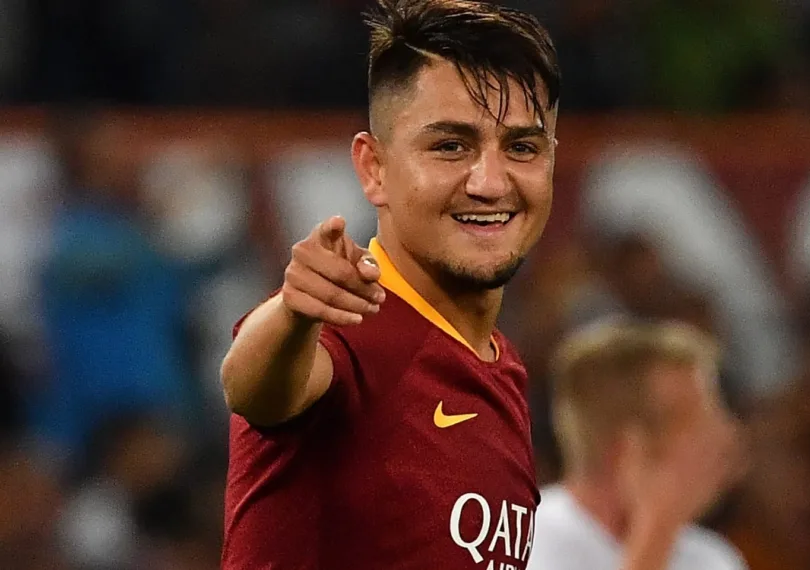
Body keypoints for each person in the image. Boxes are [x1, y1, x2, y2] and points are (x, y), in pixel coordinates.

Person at [218, 0, 560, 568]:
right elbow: (253, 387)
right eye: (451, 146)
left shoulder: (502, 369)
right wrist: (292, 311)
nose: (491, 182)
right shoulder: (345, 324)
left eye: (522, 147)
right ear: (373, 168)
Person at [529, 319, 747, 570]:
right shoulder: (521, 542)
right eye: (698, 420)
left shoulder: (712, 559)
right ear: (626, 449)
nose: (725, 435)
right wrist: (658, 527)